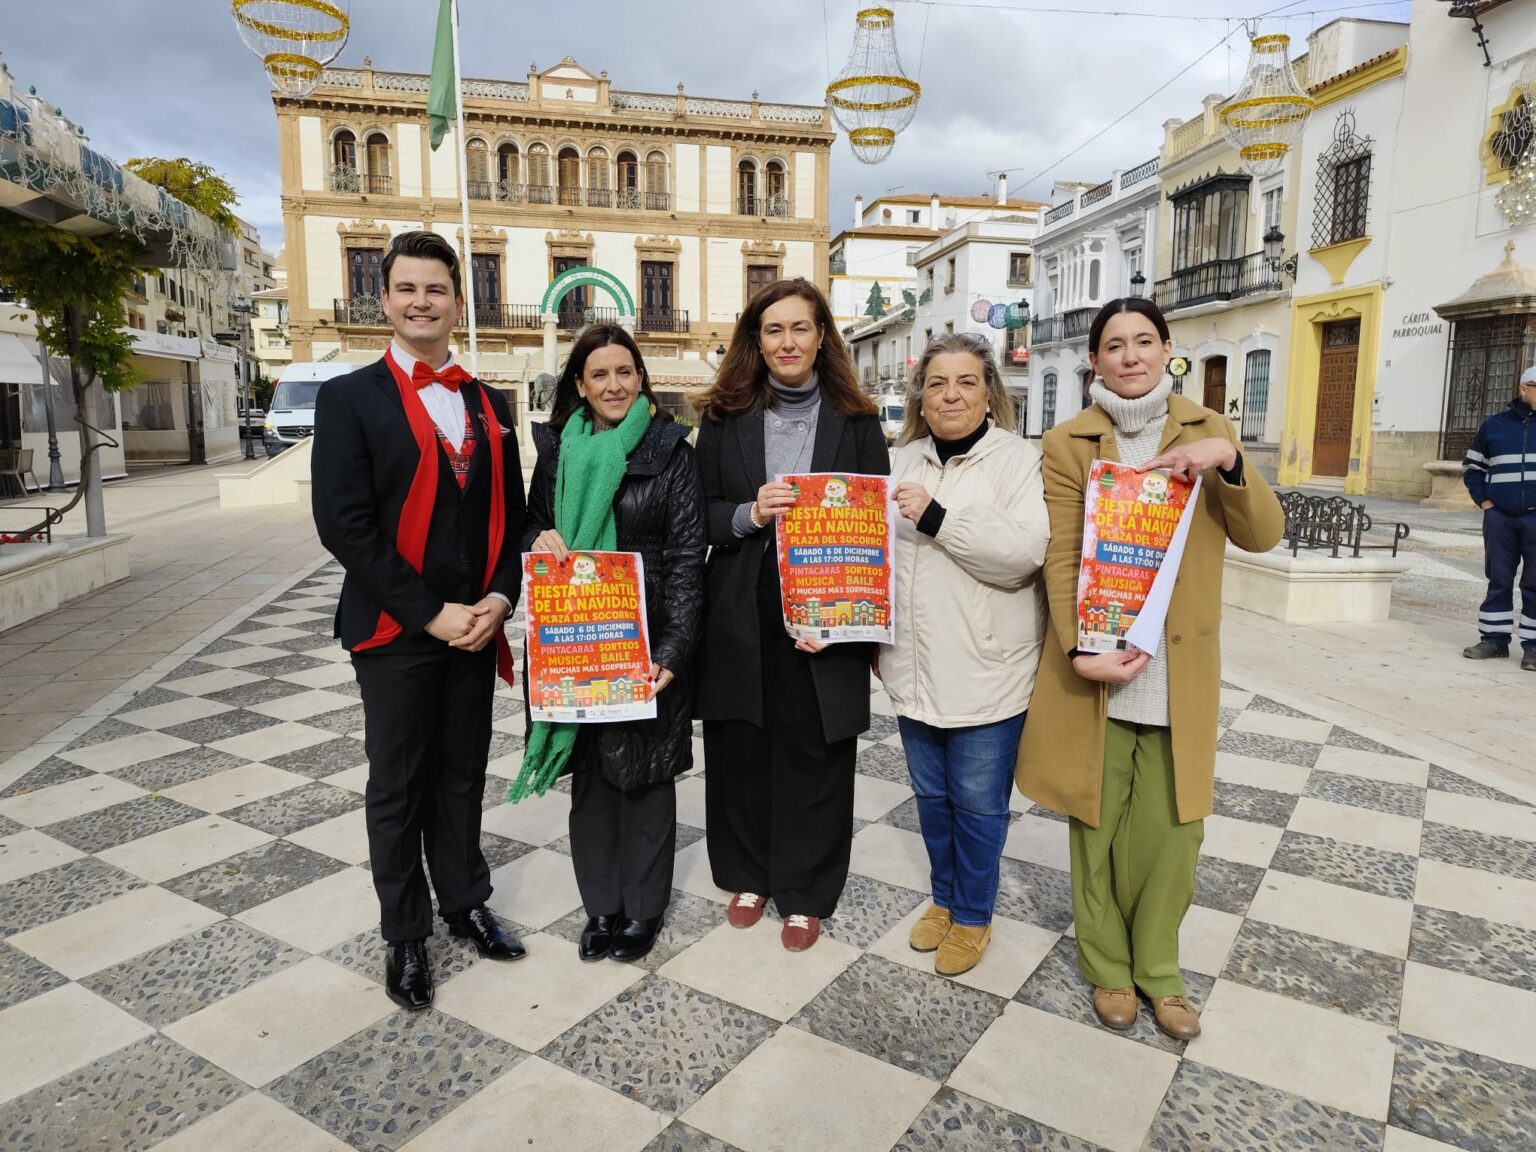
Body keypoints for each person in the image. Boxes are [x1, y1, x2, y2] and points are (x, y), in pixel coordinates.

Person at [1016, 297, 1283, 1040]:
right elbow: (1063, 553)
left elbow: (1262, 534)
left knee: (1174, 832)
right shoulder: (1070, 442)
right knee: (1096, 824)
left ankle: (1159, 972)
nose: (1129, 356)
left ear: (1167, 348)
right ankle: (1107, 967)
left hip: (1177, 669)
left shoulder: (1209, 429)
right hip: (1102, 665)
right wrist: (1080, 649)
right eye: (1113, 345)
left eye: (1143, 341)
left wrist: (1228, 462)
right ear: (1094, 360)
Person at [311, 230, 528, 1012]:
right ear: (386, 298)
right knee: (398, 786)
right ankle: (405, 935)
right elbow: (344, 525)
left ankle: (464, 901)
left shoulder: (488, 401)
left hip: (476, 625)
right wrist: (430, 613)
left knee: (463, 775)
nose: (420, 301)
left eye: (435, 289)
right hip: (397, 630)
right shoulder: (348, 399)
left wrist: (499, 602)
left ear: (456, 301)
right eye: (407, 288)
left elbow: (516, 517)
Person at [694, 277, 890, 952]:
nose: (787, 342)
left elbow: (875, 524)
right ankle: (749, 872)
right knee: (742, 747)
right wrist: (749, 512)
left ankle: (805, 891)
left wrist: (848, 619)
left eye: (800, 328)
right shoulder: (724, 417)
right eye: (773, 329)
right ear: (756, 339)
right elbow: (701, 515)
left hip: (825, 613)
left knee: (815, 752)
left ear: (821, 337)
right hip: (741, 610)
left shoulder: (857, 420)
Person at [519, 324, 705, 963]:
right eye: (599, 374)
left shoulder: (671, 451)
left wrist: (674, 654)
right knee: (593, 781)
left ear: (640, 377)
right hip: (577, 640)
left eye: (624, 372)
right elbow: (534, 524)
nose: (614, 385)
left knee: (646, 779)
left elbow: (687, 559)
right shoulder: (560, 451)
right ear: (580, 384)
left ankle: (644, 910)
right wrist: (537, 539)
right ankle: (602, 906)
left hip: (644, 642)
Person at [879, 333, 1049, 977]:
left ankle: (974, 914)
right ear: (920, 394)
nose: (951, 394)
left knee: (978, 803)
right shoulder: (903, 461)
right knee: (931, 798)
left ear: (989, 393)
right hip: (914, 666)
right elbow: (880, 563)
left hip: (988, 669)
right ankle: (944, 899)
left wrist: (938, 518)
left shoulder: (1016, 461)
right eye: (938, 382)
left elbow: (1022, 555)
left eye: (967, 382)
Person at [1461, 365, 1536, 671]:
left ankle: (1533, 648)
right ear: (1523, 388)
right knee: (1499, 578)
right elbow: (1473, 468)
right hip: (1499, 517)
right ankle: (1494, 639)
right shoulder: (1493, 426)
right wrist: (1486, 502)